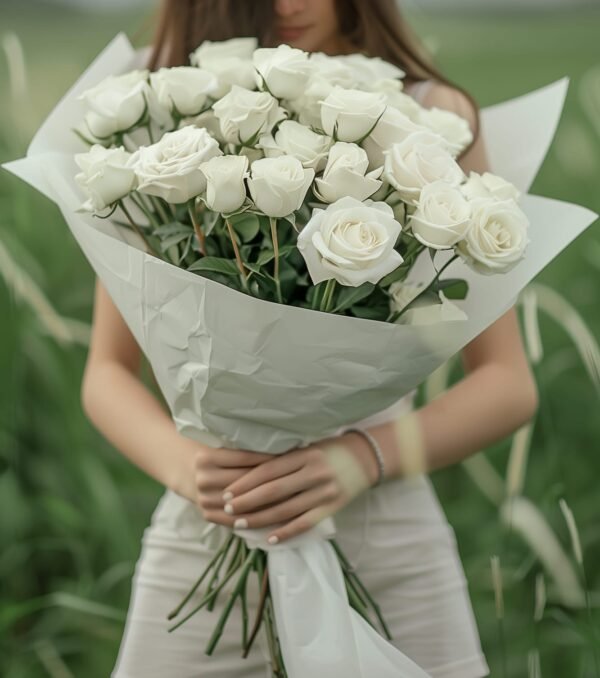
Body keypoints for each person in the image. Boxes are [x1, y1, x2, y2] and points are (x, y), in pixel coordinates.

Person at [81, 1, 539, 676]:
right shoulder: (161, 117)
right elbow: (106, 372)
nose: (288, 3)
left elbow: (508, 384)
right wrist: (187, 468)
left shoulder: (429, 116)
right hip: (208, 528)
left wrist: (361, 458)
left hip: (389, 542)